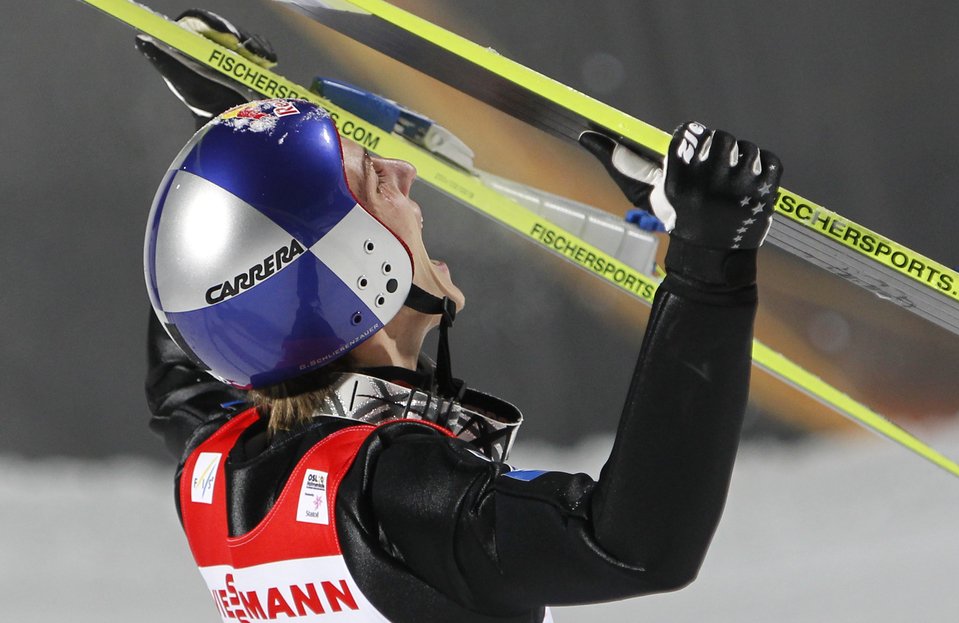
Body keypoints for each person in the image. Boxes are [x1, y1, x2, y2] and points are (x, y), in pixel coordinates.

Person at [140, 10, 782, 623]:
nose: (405, 171)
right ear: (352, 268)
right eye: (375, 181)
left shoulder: (215, 478)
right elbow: (630, 546)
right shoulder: (394, 494)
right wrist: (708, 269)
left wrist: (236, 134)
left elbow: (207, 327)